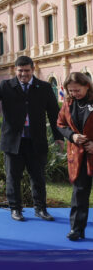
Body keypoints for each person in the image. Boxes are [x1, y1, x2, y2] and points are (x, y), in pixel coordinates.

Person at [0, 55, 63, 222]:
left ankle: (41, 209)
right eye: (20, 70)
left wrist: (59, 137)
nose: (23, 74)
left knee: (38, 177)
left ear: (33, 70)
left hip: (36, 141)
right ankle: (15, 209)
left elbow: (54, 114)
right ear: (15, 70)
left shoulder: (44, 88)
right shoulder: (6, 86)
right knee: (13, 177)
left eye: (27, 71)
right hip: (13, 142)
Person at [56, 72, 93, 241]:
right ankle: (76, 229)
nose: (73, 94)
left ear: (87, 86)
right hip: (78, 156)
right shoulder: (68, 103)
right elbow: (60, 124)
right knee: (79, 193)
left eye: (77, 90)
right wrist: (72, 136)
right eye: (70, 91)